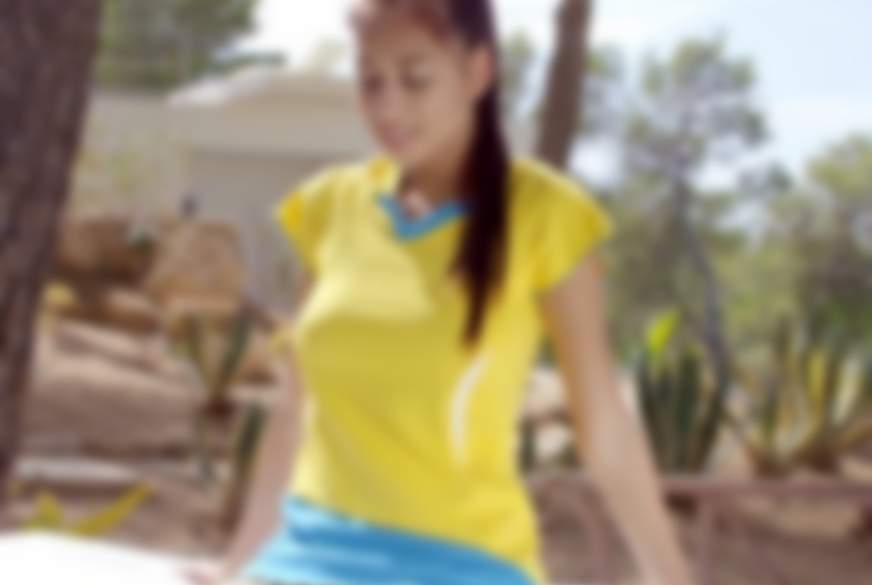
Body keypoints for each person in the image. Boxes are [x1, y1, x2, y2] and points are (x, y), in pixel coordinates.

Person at [183, 1, 697, 584]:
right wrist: (240, 562)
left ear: (478, 72)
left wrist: (670, 577)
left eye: (416, 79)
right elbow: (294, 410)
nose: (388, 107)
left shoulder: (545, 214)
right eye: (371, 81)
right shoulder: (329, 207)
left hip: (465, 564)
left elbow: (602, 422)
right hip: (310, 554)